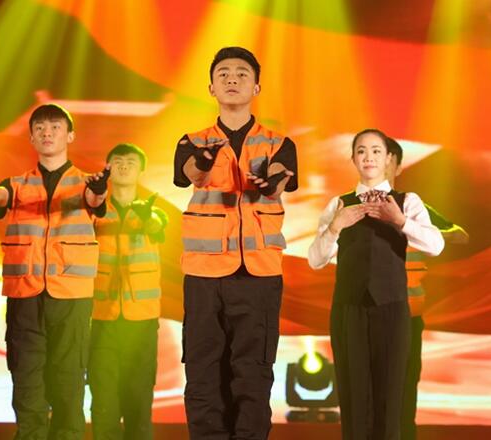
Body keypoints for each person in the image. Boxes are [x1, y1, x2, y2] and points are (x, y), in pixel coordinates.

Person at [173, 46, 298, 439]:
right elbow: (192, 175)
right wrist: (204, 160)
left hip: (259, 275)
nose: (232, 78)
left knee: (253, 373)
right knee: (203, 370)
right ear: (211, 87)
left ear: (256, 87)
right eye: (223, 73)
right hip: (205, 276)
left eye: (242, 73)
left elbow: (280, 179)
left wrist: (271, 181)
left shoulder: (279, 143)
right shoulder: (192, 141)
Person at [0, 103, 108, 440]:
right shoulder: (17, 184)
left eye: (55, 127)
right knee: (26, 377)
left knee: (68, 378)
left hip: (70, 297)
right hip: (25, 296)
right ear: (31, 138)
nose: (47, 133)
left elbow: (95, 199)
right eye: (40, 128)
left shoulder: (85, 183)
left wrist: (100, 188)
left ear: (70, 135)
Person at [307, 128, 444, 440]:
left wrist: (400, 221)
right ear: (354, 159)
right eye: (361, 151)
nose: (368, 157)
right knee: (353, 397)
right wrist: (335, 227)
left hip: (392, 309)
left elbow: (436, 246)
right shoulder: (338, 204)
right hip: (348, 310)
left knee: (390, 397)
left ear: (388, 159)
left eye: (376, 151)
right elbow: (315, 259)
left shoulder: (407, 202)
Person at [384, 137, 469, 440]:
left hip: (410, 312)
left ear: (398, 167)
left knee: (406, 383)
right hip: (371, 312)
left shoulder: (415, 207)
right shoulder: (354, 205)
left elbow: (459, 235)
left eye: (388, 160)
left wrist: (414, 229)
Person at [87, 143, 168, 440]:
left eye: (131, 162)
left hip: (141, 322)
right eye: (118, 161)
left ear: (141, 171)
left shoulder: (153, 213)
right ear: (108, 169)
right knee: (103, 401)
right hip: (102, 320)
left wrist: (147, 218)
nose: (124, 166)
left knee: (139, 401)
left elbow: (157, 228)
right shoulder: (93, 213)